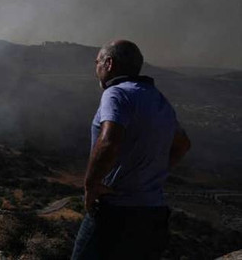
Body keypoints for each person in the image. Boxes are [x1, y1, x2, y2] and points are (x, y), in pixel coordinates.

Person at [71, 40, 191, 260]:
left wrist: (91, 185)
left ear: (109, 63)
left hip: (115, 211)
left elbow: (109, 140)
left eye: (97, 61)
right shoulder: (157, 98)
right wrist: (153, 173)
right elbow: (183, 144)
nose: (95, 67)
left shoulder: (116, 93)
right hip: (153, 213)